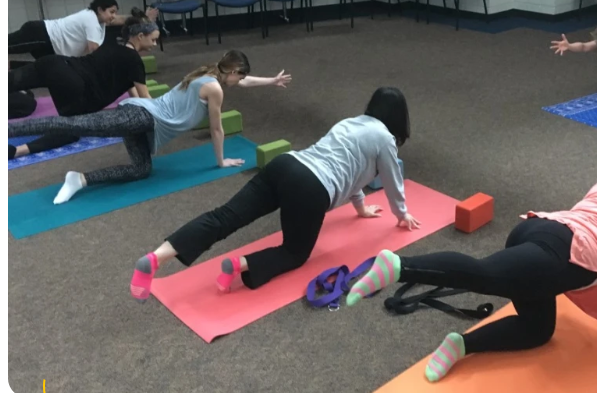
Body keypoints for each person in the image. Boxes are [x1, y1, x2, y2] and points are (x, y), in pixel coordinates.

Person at [346, 161, 597, 383]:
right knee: (485, 275)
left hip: (537, 228)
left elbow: (583, 219)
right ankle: (397, 266)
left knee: (538, 330)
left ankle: (460, 345)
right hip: (566, 257)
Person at [128, 87, 422, 302]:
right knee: (294, 253)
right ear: (399, 118)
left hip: (286, 164)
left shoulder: (352, 122)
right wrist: (402, 213)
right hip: (311, 188)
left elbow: (352, 168)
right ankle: (240, 265)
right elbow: (391, 177)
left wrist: (360, 208)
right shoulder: (385, 138)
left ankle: (157, 257)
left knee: (225, 216)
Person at [8, 50, 292, 205]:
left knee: (141, 169)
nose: (240, 81)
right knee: (74, 125)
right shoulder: (214, 88)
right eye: (238, 76)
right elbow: (217, 130)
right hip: (140, 117)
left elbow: (244, 81)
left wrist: (270, 81)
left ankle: (79, 179)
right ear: (231, 72)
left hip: (147, 125)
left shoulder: (210, 71)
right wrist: (221, 161)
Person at [8, 8, 159, 160]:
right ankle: (17, 151)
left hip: (54, 62)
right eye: (153, 39)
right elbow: (145, 97)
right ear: (140, 36)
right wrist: (161, 118)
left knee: (10, 82)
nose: (154, 44)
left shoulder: (113, 45)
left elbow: (131, 89)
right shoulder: (135, 61)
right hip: (71, 83)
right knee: (70, 132)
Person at [8, 0, 158, 68]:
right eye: (111, 12)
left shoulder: (100, 19)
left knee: (37, 69)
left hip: (52, 48)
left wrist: (143, 18)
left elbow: (120, 20)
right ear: (100, 9)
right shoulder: (91, 19)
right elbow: (94, 49)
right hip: (41, 34)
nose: (114, 16)